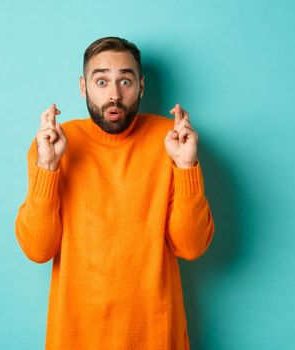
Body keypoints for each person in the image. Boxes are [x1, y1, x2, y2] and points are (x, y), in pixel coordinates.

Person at [14, 36, 214, 349]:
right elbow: (38, 250)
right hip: (77, 337)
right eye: (102, 81)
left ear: (141, 86)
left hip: (156, 337)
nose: (114, 95)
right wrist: (47, 168)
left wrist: (186, 166)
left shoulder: (171, 141)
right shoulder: (54, 145)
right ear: (83, 87)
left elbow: (191, 247)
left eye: (125, 80)